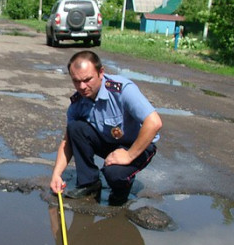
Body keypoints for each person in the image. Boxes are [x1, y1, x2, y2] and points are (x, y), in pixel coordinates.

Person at [49, 51, 162, 205]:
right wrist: (56, 174)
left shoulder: (122, 89)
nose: (82, 87)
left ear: (101, 72)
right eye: (76, 81)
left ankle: (121, 192)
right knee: (75, 128)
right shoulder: (77, 103)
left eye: (87, 80)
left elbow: (154, 123)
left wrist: (128, 155)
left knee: (114, 174)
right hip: (110, 142)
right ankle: (89, 183)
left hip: (139, 145)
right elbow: (67, 142)